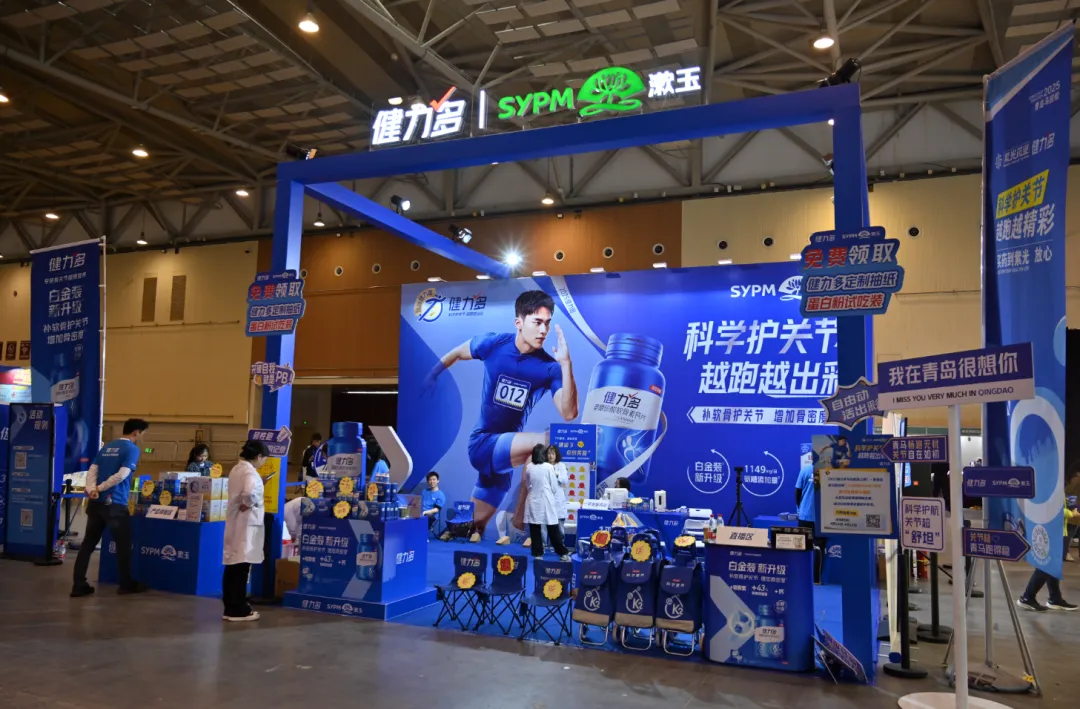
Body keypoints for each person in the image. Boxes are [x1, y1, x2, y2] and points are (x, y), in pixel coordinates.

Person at [425, 290, 578, 542]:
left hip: (504, 458)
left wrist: (566, 365)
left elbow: (569, 412)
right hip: (482, 443)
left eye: (547, 323)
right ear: (519, 322)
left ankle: (457, 534)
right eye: (537, 322)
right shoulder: (493, 344)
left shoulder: (550, 367)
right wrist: (431, 376)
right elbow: (458, 353)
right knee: (546, 440)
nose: (543, 330)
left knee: (474, 527)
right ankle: (520, 521)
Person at [71, 418, 151, 597]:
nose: (143, 438)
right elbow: (122, 475)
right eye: (143, 434)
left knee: (88, 544)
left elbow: (92, 470)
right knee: (123, 545)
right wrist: (100, 488)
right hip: (115, 503)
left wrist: (92, 489)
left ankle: (78, 584)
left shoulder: (107, 447)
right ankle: (126, 583)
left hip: (96, 503)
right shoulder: (131, 449)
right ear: (136, 432)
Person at [222, 439, 269, 622]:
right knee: (241, 567)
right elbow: (249, 493)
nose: (264, 462)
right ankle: (238, 609)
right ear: (258, 456)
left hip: (236, 524)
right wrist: (249, 503)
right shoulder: (250, 472)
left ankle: (230, 606)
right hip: (246, 524)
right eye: (264, 458)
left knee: (233, 566)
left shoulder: (237, 469)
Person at [1017, 499, 1080, 612]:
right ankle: (1028, 597)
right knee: (1047, 565)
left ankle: (1055, 598)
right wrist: (1071, 513)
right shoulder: (1050, 487)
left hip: (1055, 529)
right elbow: (1050, 508)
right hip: (1051, 530)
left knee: (1053, 565)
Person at [523, 444, 570, 561]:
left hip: (533, 501)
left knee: (535, 529)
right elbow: (554, 486)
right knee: (553, 527)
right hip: (546, 501)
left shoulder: (529, 467)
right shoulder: (548, 467)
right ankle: (562, 553)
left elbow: (528, 485)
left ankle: (537, 554)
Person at [794, 462, 824, 583]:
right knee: (818, 549)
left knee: (803, 547)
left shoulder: (805, 470)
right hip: (821, 518)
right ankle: (816, 579)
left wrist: (801, 508)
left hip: (805, 515)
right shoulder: (829, 470)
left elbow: (797, 492)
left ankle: (802, 577)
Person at [548, 445, 569, 534]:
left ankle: (560, 543)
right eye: (549, 453)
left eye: (553, 453)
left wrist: (556, 474)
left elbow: (564, 480)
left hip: (558, 499)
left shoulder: (561, 465)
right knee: (547, 527)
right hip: (547, 499)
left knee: (559, 528)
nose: (551, 456)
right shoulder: (544, 466)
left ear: (556, 455)